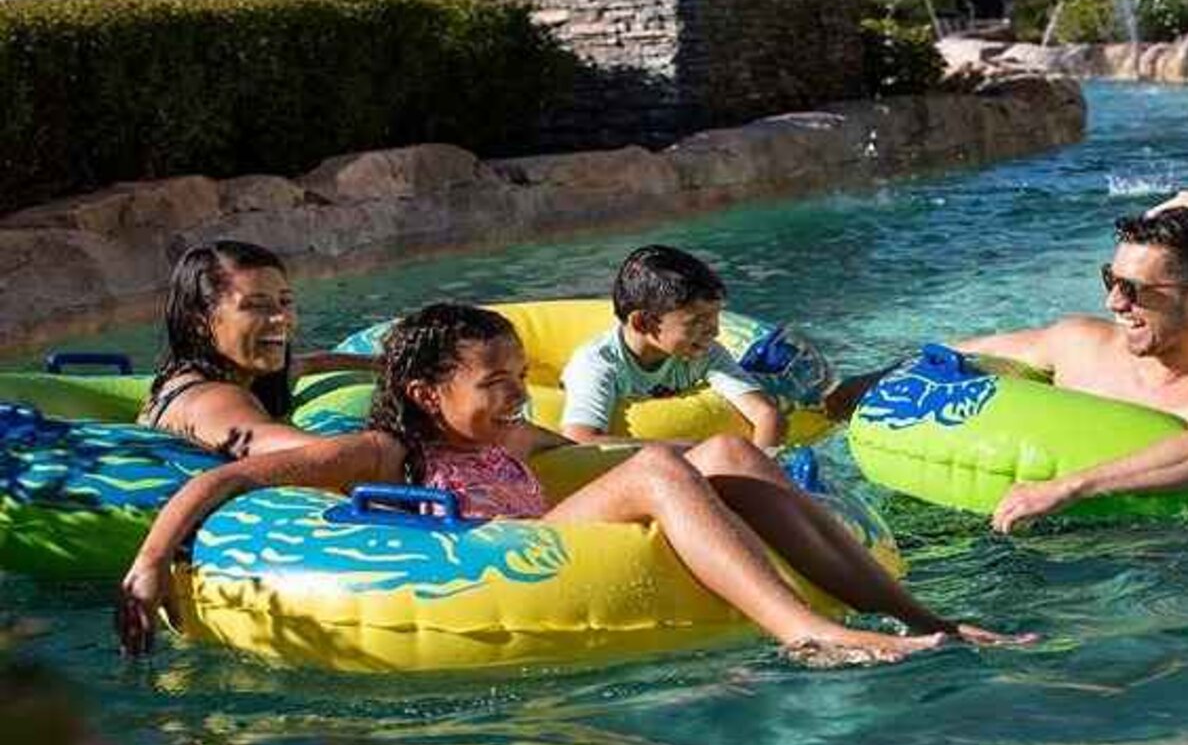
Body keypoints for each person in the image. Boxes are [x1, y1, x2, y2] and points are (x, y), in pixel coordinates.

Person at [117, 303, 1021, 665]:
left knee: (730, 460)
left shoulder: (517, 433)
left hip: (558, 528)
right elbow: (231, 479)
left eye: (519, 375)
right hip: (478, 562)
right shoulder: (379, 452)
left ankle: (920, 616)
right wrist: (153, 563)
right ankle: (808, 635)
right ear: (430, 394)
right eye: (497, 383)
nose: (516, 395)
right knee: (665, 466)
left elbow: (587, 454)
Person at [831, 207, 1188, 534]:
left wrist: (1069, 488)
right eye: (1111, 280)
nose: (1114, 303)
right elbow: (958, 356)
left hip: (1136, 558)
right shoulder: (1080, 344)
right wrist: (840, 395)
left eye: (1133, 289)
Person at [139, 241, 372, 458]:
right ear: (200, 323)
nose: (281, 318)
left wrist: (380, 363)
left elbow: (309, 363)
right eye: (255, 305)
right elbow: (323, 457)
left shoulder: (221, 373)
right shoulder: (212, 401)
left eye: (285, 302)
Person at [559, 245, 786, 450]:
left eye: (716, 317)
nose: (714, 331)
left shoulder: (704, 352)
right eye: (697, 321)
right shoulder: (598, 363)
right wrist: (688, 449)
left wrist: (763, 469)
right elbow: (581, 439)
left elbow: (766, 414)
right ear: (642, 323)